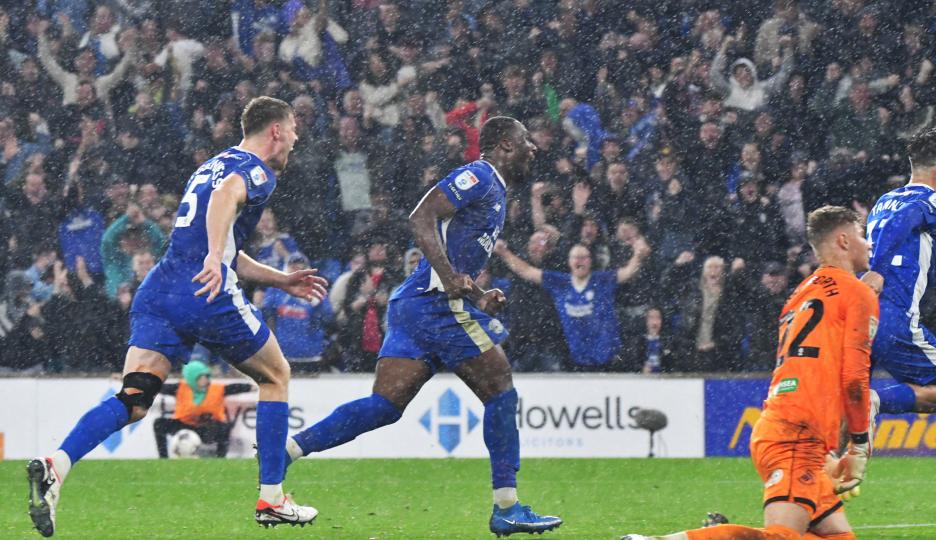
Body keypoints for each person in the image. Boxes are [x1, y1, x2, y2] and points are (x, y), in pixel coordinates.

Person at [26, 96, 328, 536]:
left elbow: (224, 242)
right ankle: (273, 497)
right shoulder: (257, 171)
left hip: (160, 290)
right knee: (276, 375)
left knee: (134, 398)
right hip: (205, 292)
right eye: (294, 130)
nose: (296, 140)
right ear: (276, 131)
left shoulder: (211, 165)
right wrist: (212, 258)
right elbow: (224, 213)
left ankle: (58, 464)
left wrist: (279, 280)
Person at [283, 116, 562, 536]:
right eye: (526, 141)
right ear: (504, 145)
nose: (533, 148)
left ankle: (285, 450)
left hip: (413, 304)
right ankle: (507, 507)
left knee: (385, 406)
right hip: (433, 306)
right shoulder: (480, 175)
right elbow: (421, 215)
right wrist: (451, 280)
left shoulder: (497, 193)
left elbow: (453, 259)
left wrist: (477, 297)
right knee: (501, 388)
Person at [622, 205, 880, 540]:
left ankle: (717, 534)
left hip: (788, 426)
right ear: (844, 241)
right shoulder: (856, 293)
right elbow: (855, 380)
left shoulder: (800, 293)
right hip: (797, 435)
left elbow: (811, 366)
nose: (868, 244)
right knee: (779, 537)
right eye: (862, 235)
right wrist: (859, 445)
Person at [867, 130, 936, 418]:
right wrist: (878, 272)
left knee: (849, 401)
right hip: (894, 320)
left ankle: (831, 453)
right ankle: (875, 402)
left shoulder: (883, 201)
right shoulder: (930, 202)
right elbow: (903, 220)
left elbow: (926, 265)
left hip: (862, 315)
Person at [493, 238, 648, 370]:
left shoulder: (602, 280)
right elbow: (527, 271)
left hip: (607, 360)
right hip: (576, 360)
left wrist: (638, 256)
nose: (580, 261)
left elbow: (628, 272)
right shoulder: (560, 282)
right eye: (576, 257)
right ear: (569, 261)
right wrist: (504, 253)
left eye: (584, 257)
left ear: (590, 261)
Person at [154, 360, 254, 458]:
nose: (205, 380)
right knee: (159, 424)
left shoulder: (217, 389)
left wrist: (255, 387)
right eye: (201, 378)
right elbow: (158, 387)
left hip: (207, 429)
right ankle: (163, 458)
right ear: (191, 378)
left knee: (224, 427)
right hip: (183, 425)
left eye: (206, 377)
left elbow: (238, 387)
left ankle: (221, 460)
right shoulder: (180, 388)